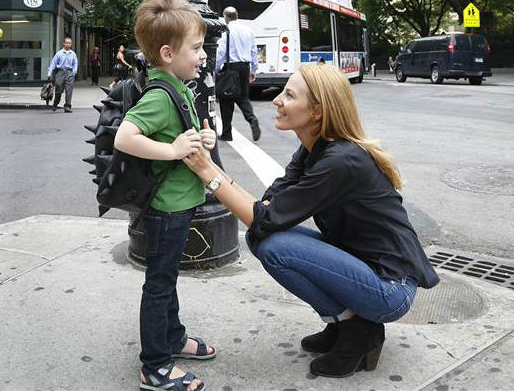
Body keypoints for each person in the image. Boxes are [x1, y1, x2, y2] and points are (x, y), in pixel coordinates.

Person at [184, 64, 440, 379]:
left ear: (317, 111)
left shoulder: (340, 161)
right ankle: (343, 323)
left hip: (390, 287)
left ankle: (358, 329)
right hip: (365, 268)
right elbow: (271, 199)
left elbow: (264, 217)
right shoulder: (312, 150)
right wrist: (257, 205)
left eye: (289, 95)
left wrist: (207, 172)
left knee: (274, 245)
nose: (277, 100)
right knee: (261, 239)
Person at [114, 0, 216, 391]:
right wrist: (172, 149)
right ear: (168, 54)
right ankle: (154, 365)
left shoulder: (175, 86)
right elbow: (126, 136)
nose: (203, 54)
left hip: (179, 204)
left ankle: (172, 338)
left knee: (167, 277)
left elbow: (183, 135)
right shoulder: (160, 94)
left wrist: (197, 141)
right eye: (196, 47)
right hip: (166, 208)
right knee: (159, 284)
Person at [216, 6, 261, 142]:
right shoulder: (248, 30)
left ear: (226, 17)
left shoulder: (226, 31)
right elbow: (254, 51)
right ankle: (251, 119)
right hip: (245, 67)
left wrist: (216, 68)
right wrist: (253, 69)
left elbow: (221, 52)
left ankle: (227, 133)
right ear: (237, 15)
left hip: (231, 67)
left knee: (226, 99)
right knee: (243, 96)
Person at [47, 36, 78, 113]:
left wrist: (74, 72)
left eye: (69, 43)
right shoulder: (59, 53)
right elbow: (53, 63)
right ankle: (55, 103)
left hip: (69, 73)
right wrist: (49, 72)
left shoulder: (73, 54)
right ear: (63, 43)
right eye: (66, 43)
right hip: (60, 73)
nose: (68, 44)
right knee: (58, 90)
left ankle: (67, 106)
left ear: (71, 44)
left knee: (69, 90)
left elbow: (75, 63)